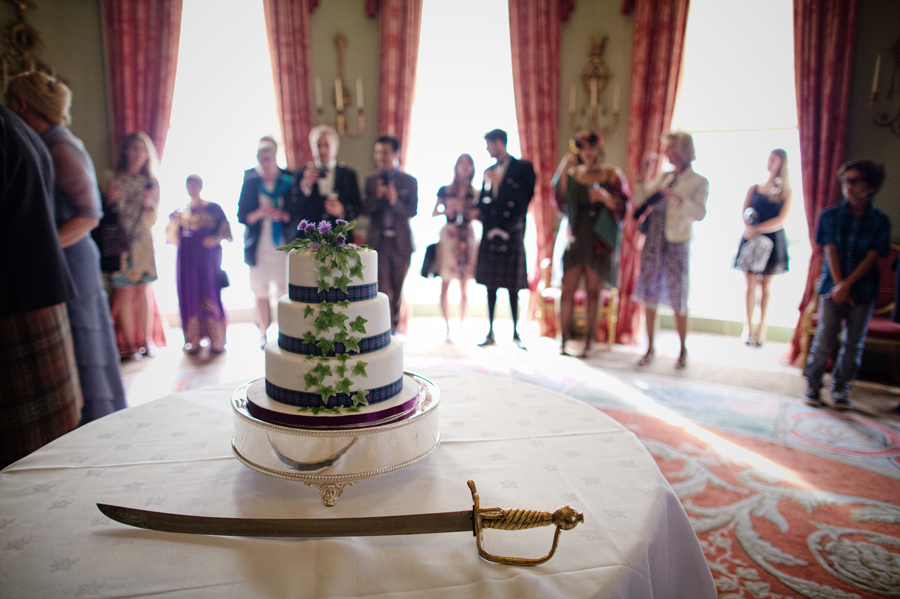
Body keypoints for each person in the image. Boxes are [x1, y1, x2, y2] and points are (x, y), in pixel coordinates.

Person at [6, 72, 126, 423]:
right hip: (61, 257)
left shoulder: (59, 146)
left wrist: (42, 248)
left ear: (21, 104)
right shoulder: (48, 142)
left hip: (72, 260)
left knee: (82, 337)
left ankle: (96, 419)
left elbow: (90, 215)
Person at [0, 103, 82, 467]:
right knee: (45, 456)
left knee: (27, 466)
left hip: (14, 310)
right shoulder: (14, 126)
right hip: (36, 295)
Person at [804, 160, 891, 411]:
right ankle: (813, 385)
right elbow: (830, 251)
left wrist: (848, 286)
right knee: (824, 339)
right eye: (845, 181)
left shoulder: (881, 222)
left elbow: (872, 256)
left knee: (854, 343)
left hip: (864, 291)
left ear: (871, 187)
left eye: (855, 181)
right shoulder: (829, 216)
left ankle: (841, 389)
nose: (848, 186)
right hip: (832, 287)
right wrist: (839, 285)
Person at [632, 131, 709, 369]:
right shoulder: (664, 177)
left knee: (678, 296)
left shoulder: (699, 182)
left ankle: (682, 350)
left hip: (677, 242)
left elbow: (700, 214)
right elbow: (640, 198)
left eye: (670, 149)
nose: (667, 154)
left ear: (683, 151)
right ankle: (649, 347)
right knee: (650, 294)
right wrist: (644, 173)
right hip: (654, 240)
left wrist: (675, 197)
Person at [551, 131, 629, 357]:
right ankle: (563, 339)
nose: (588, 154)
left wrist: (605, 198)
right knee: (567, 290)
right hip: (576, 235)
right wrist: (564, 166)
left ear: (598, 150)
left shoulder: (612, 174)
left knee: (593, 293)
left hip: (598, 239)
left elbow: (623, 205)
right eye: (583, 149)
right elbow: (560, 198)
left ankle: (588, 341)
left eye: (591, 149)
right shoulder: (573, 174)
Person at [101, 131, 166, 362]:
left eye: (142, 149)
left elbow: (152, 221)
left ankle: (146, 341)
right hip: (118, 243)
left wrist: (150, 205)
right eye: (134, 148)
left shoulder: (151, 182)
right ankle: (130, 345)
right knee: (124, 292)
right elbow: (103, 214)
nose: (137, 153)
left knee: (143, 290)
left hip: (142, 244)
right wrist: (108, 200)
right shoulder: (111, 178)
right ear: (126, 151)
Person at [474, 128, 535, 349]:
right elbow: (483, 203)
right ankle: (490, 331)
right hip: (491, 232)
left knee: (512, 287)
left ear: (499, 142)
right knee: (490, 285)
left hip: (513, 232)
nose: (488, 150)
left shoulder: (523, 167)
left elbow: (526, 198)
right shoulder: (488, 170)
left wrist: (502, 183)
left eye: (489, 144)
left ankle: (516, 333)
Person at [236, 136, 295, 349]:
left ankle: (285, 331)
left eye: (268, 158)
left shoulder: (287, 178)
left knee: (283, 290)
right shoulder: (251, 180)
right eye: (261, 159)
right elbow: (242, 216)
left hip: (282, 244)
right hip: (259, 244)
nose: (265, 163)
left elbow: (296, 214)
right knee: (260, 290)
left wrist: (281, 214)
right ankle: (263, 333)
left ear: (274, 157)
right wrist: (260, 212)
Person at [166, 175, 233, 355]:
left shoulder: (213, 208)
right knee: (190, 293)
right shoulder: (180, 212)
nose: (193, 188)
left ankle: (217, 338)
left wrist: (214, 239)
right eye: (190, 184)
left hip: (208, 260)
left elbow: (225, 230)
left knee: (210, 291)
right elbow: (171, 237)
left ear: (201, 186)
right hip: (187, 260)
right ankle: (193, 339)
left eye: (196, 184)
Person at [735, 149, 792, 347]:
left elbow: (781, 219)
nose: (769, 163)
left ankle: (761, 327)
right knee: (749, 283)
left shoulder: (786, 191)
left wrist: (759, 229)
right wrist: (750, 228)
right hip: (751, 239)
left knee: (765, 286)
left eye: (773, 160)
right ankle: (748, 327)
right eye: (768, 159)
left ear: (781, 163)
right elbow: (744, 211)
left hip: (772, 240)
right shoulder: (755, 188)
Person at [362, 135, 419, 334]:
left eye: (385, 152)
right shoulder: (370, 180)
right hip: (378, 243)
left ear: (396, 154)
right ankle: (384, 329)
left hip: (401, 243)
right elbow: (364, 211)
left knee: (397, 289)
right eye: (377, 152)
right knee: (382, 289)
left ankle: (395, 327)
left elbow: (412, 211)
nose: (380, 156)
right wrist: (377, 198)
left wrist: (395, 202)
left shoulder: (409, 181)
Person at [432, 153, 478, 339]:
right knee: (445, 282)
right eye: (462, 163)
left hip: (466, 237)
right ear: (457, 166)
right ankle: (447, 327)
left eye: (469, 164)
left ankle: (461, 326)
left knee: (464, 284)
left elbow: (479, 214)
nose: (465, 167)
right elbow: (434, 212)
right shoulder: (445, 190)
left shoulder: (475, 192)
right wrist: (447, 209)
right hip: (449, 236)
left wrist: (471, 212)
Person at [289, 125, 361, 237]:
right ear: (312, 148)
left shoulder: (349, 175)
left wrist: (342, 210)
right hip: (308, 240)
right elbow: (293, 210)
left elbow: (358, 207)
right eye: (318, 145)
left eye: (327, 145)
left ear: (335, 148)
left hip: (340, 239)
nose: (322, 150)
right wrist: (305, 188)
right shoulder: (300, 174)